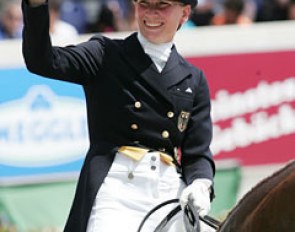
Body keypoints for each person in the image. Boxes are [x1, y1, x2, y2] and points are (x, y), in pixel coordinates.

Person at [21, 0, 216, 231]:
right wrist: (36, 5)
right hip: (117, 188)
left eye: (162, 4)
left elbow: (197, 152)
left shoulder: (193, 79)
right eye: (144, 4)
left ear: (184, 13)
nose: (151, 13)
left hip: (169, 189)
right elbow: (43, 61)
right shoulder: (106, 54)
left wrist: (201, 184)